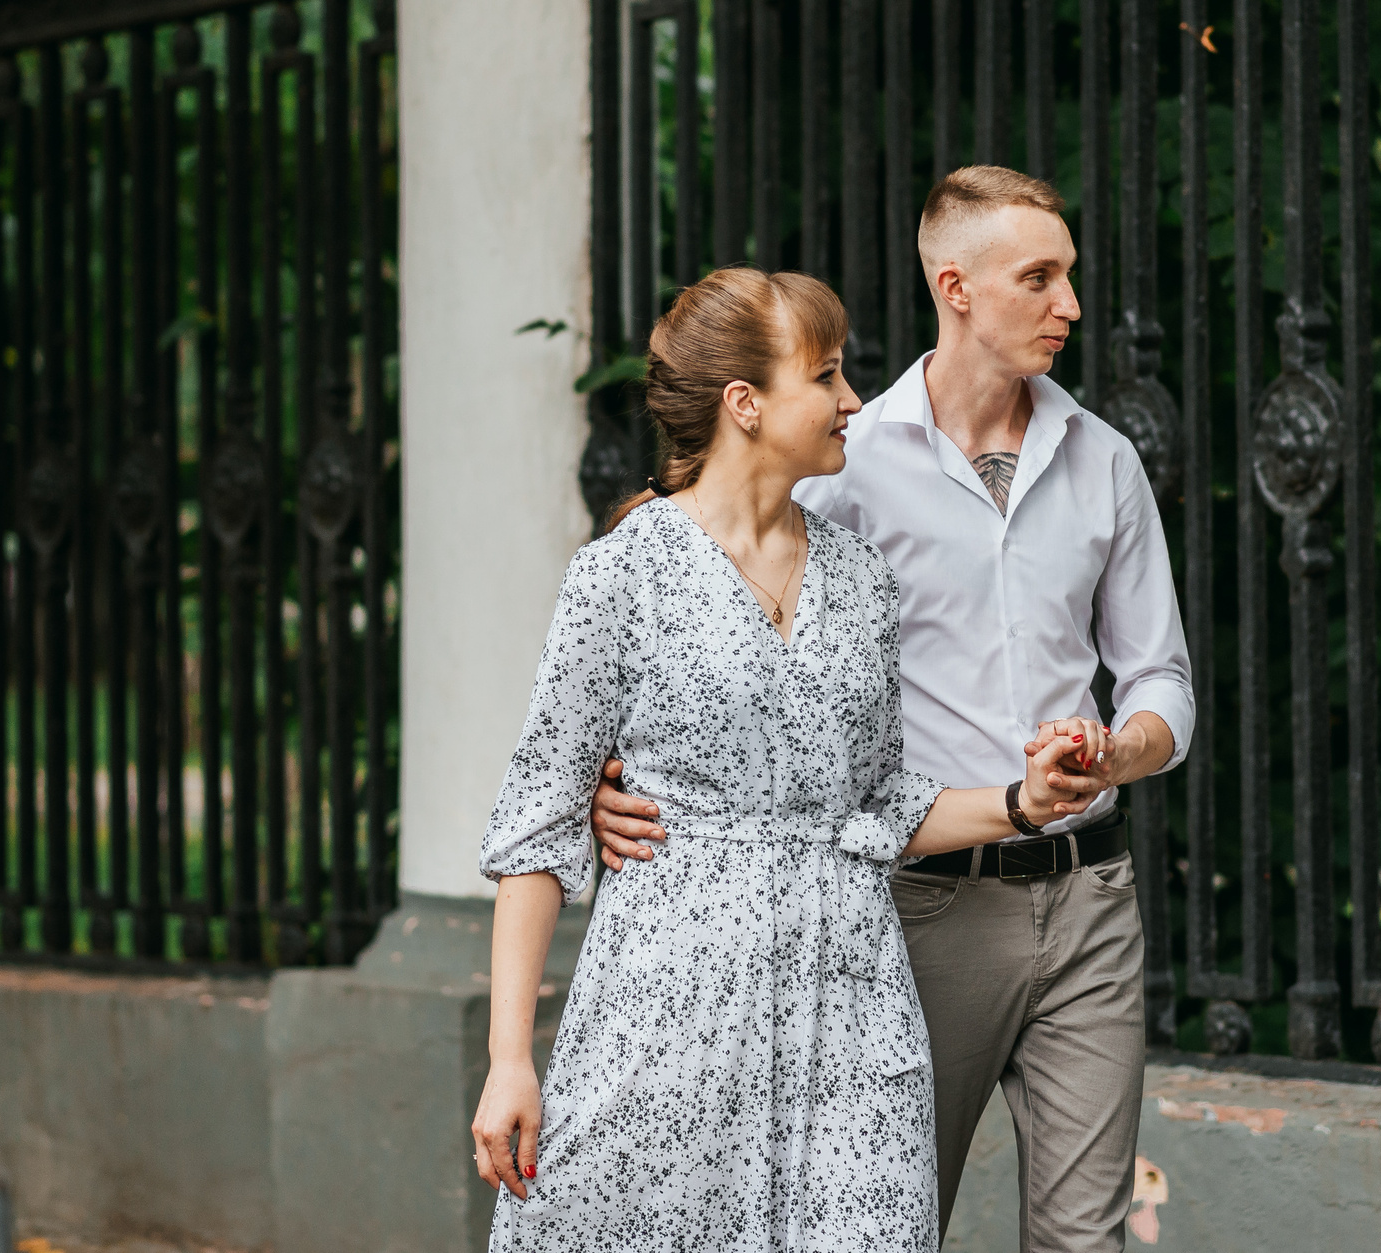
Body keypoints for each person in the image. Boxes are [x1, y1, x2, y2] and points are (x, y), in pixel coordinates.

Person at [596, 168, 1193, 1253]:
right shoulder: (842, 458)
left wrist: (1119, 749)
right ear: (954, 285)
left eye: (1068, 275)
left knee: (1087, 1238)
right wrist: (616, 772)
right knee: (882, 1223)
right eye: (1040, 277)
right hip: (916, 909)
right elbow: (699, 587)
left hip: (1090, 897)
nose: (1070, 304)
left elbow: (1161, 677)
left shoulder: (1105, 460)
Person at [469, 265, 1106, 1252]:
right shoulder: (620, 574)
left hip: (850, 1017)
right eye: (828, 374)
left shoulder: (861, 578)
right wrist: (511, 1057)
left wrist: (1022, 801)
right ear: (746, 403)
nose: (853, 399)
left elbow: (879, 799)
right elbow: (541, 815)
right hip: (667, 1019)